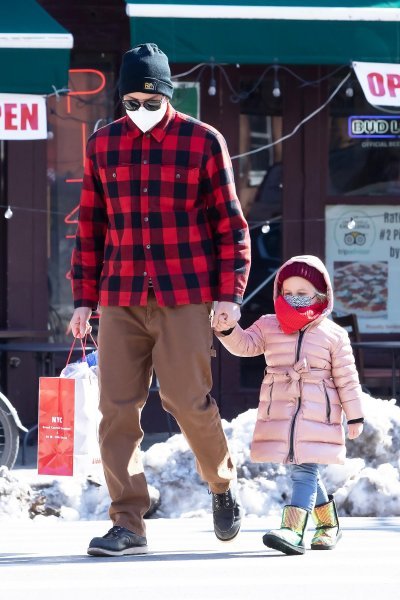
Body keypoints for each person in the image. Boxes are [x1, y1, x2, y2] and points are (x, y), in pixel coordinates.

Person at [68, 43, 251, 556]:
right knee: (116, 411)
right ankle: (128, 521)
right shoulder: (102, 146)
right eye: (129, 102)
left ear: (167, 95)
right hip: (120, 295)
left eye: (150, 102)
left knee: (187, 402)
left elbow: (230, 226)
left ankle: (221, 485)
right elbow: (90, 227)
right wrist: (83, 299)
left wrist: (229, 296)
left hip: (186, 294)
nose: (140, 112)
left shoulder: (203, 142)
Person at [213, 255, 364, 556]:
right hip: (282, 409)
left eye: (303, 293)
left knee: (304, 470)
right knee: (301, 467)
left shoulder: (334, 335)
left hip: (318, 412)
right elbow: (246, 346)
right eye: (288, 292)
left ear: (321, 296)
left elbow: (347, 378)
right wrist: (229, 330)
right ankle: (328, 525)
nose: (294, 299)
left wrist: (355, 415)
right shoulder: (270, 325)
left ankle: (293, 530)